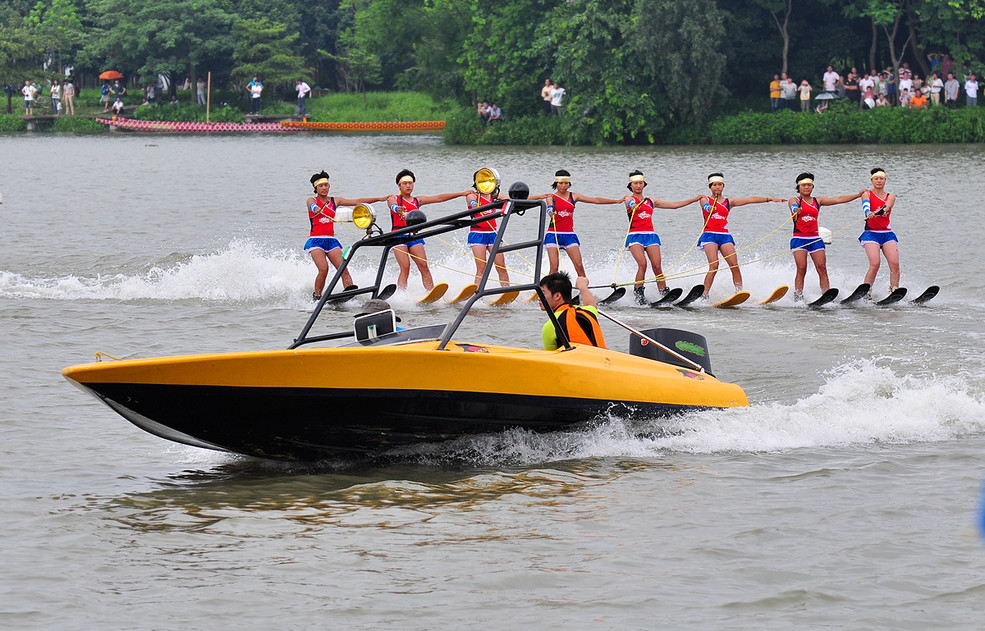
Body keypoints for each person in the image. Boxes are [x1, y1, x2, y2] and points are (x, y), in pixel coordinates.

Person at [696, 173, 785, 298]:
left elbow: (750, 199)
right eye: (715, 185)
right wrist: (709, 207)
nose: (717, 187)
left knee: (734, 265)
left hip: (724, 235)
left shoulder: (729, 202)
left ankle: (739, 292)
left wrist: (769, 199)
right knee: (714, 266)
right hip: (709, 235)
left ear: (723, 186)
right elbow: (705, 206)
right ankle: (704, 295)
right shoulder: (704, 199)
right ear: (710, 187)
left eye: (720, 185)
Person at [620, 170, 701, 305]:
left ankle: (664, 292)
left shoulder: (651, 201)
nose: (638, 186)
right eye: (635, 183)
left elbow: (674, 206)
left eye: (640, 183)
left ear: (644, 184)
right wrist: (633, 205)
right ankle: (639, 294)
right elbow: (629, 203)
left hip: (651, 236)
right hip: (635, 236)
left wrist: (694, 199)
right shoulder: (629, 198)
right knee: (642, 264)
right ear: (631, 185)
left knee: (657, 266)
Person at [305, 171, 386, 300]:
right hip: (316, 241)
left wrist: (379, 199)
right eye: (321, 186)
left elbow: (358, 201)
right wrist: (315, 208)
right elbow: (311, 205)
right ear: (316, 188)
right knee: (323, 268)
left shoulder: (335, 201)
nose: (324, 188)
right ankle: (317, 297)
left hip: (331, 241)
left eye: (326, 185)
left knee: (343, 268)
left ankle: (350, 297)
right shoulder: (311, 200)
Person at [528, 169, 622, 277]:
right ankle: (545, 290)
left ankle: (584, 289)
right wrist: (550, 212)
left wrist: (617, 201)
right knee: (554, 268)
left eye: (566, 183)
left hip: (569, 235)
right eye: (561, 183)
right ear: (556, 184)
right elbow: (549, 207)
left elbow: (595, 200)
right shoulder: (551, 197)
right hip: (553, 235)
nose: (563, 186)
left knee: (579, 265)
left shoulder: (574, 196)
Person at [386, 169, 468, 291]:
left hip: (413, 236)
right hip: (398, 236)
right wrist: (397, 208)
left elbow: (439, 198)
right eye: (405, 183)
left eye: (410, 183)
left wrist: (461, 194)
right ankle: (401, 294)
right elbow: (391, 204)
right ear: (399, 185)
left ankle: (431, 292)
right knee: (405, 267)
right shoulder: (395, 199)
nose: (408, 185)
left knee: (423, 265)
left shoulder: (417, 201)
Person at [787, 173, 863, 301]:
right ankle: (798, 296)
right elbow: (793, 206)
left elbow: (838, 199)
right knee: (802, 268)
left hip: (815, 239)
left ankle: (826, 294)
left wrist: (857, 195)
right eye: (804, 185)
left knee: (822, 268)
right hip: (799, 239)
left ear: (812, 187)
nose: (807, 188)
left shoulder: (818, 201)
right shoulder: (795, 200)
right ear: (799, 187)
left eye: (809, 185)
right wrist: (796, 210)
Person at [465, 170, 511, 286]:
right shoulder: (472, 195)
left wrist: (540, 197)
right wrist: (475, 204)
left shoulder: (494, 196)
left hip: (492, 234)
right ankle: (477, 293)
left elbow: (512, 199)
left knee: (501, 266)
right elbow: (472, 202)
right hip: (477, 234)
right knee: (482, 268)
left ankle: (507, 290)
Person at [539, 272, 606, 351]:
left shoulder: (551, 325)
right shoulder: (587, 312)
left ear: (557, 296)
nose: (539, 298)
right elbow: (591, 304)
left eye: (543, 293)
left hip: (580, 363)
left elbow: (549, 359)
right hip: (605, 361)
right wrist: (582, 286)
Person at [859, 167, 900, 293]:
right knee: (875, 263)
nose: (879, 181)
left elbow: (888, 206)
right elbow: (865, 204)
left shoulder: (890, 196)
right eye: (876, 179)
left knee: (895, 263)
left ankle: (894, 290)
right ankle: (867, 291)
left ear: (885, 180)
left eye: (881, 178)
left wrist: (882, 210)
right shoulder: (867, 194)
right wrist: (868, 212)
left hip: (887, 234)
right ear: (872, 180)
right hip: (871, 234)